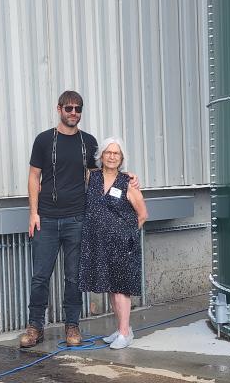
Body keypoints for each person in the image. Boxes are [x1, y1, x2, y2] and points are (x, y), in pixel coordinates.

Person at [19, 92, 138, 348]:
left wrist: (128, 177)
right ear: (59, 109)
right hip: (47, 220)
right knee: (40, 276)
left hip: (78, 219)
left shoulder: (88, 142)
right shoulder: (43, 140)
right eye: (69, 108)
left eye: (78, 109)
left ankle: (72, 326)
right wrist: (33, 213)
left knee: (73, 277)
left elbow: (102, 172)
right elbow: (33, 177)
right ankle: (34, 327)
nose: (73, 113)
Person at [79, 137, 148, 349]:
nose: (111, 156)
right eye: (108, 152)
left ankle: (125, 334)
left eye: (116, 153)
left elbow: (143, 214)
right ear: (101, 156)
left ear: (121, 158)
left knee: (121, 290)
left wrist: (126, 235)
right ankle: (120, 329)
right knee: (111, 288)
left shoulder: (127, 182)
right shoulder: (92, 177)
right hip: (99, 245)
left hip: (122, 245)